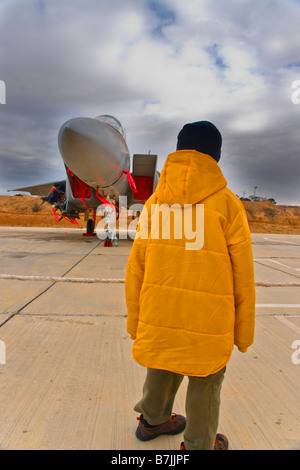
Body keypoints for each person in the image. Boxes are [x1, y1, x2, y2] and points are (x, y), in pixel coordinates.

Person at [125, 121, 256, 450]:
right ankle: (199, 443)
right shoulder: (227, 204)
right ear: (216, 156)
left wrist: (136, 319)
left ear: (179, 150)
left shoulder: (154, 203)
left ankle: (152, 421)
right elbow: (243, 273)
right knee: (207, 378)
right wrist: (243, 332)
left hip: (160, 310)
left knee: (162, 361)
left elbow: (136, 266)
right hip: (209, 316)